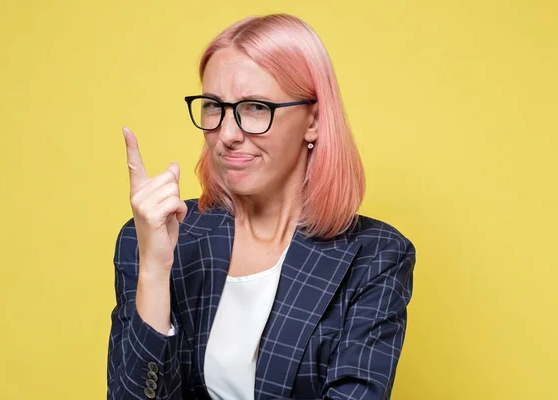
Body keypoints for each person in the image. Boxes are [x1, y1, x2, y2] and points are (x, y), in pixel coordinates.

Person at [107, 13, 416, 400]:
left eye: (255, 107)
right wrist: (154, 269)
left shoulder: (373, 257)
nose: (228, 134)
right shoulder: (160, 238)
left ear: (314, 121)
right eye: (213, 106)